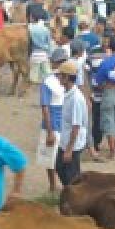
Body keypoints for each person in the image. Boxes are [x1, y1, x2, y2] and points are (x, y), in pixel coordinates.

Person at [37, 47, 68, 192]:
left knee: (58, 158)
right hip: (54, 124)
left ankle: (57, 184)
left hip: (62, 123)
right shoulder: (49, 82)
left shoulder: (64, 79)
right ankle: (52, 185)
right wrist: (50, 131)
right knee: (50, 159)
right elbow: (45, 107)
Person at [55, 60, 89, 187]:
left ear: (67, 77)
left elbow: (76, 126)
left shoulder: (76, 98)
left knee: (72, 176)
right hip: (65, 140)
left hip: (73, 144)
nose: (58, 78)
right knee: (59, 167)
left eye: (61, 75)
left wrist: (69, 149)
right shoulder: (67, 93)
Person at [28, 16, 53, 86]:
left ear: (33, 19)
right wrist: (50, 54)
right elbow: (49, 42)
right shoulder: (45, 29)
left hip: (35, 53)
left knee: (33, 75)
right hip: (44, 53)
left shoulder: (30, 29)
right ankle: (48, 86)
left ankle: (30, 90)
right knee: (47, 73)